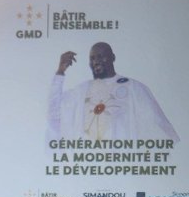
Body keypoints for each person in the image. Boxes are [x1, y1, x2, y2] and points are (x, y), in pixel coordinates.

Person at [47, 41, 178, 142]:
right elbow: (55, 112)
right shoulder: (81, 91)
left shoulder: (133, 88)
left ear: (113, 57)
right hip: (89, 167)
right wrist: (60, 72)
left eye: (101, 57)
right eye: (92, 58)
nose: (96, 61)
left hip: (121, 166)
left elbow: (158, 126)